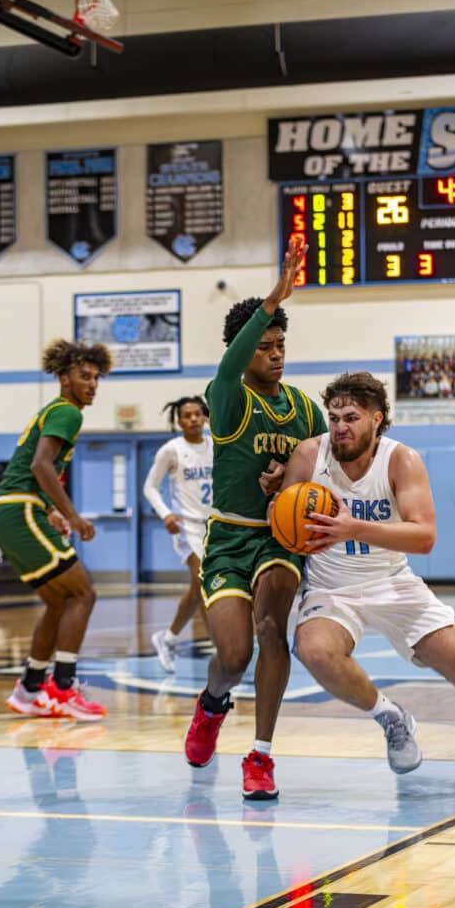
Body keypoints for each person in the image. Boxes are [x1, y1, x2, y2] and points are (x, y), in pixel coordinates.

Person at [276, 370, 455, 795]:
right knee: (315, 652)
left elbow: (424, 536)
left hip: (392, 581)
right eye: (335, 417)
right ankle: (390, 716)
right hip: (331, 586)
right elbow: (282, 521)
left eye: (352, 417)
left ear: (377, 419)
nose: (341, 427)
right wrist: (277, 497)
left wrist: (353, 528)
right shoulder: (309, 456)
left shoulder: (401, 460)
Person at [184, 238, 327, 800]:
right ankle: (212, 705)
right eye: (264, 345)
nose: (275, 353)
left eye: (280, 344)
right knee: (233, 655)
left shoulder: (306, 409)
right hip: (227, 540)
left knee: (272, 630)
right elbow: (226, 365)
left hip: (279, 539)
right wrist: (273, 296)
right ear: (243, 351)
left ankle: (261, 756)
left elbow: (324, 481)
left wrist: (292, 486)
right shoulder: (227, 398)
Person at [0, 338, 113, 721]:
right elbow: (40, 467)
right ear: (64, 379)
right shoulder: (67, 412)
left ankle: (29, 689)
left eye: (96, 378)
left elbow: (32, 469)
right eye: (84, 376)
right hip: (19, 512)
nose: (91, 384)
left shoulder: (57, 410)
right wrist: (72, 515)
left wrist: (50, 513)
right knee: (83, 594)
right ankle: (61, 688)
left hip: (14, 514)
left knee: (61, 601)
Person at [143, 395, 213, 672]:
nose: (193, 419)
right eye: (187, 415)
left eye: (198, 414)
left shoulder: (215, 446)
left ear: (205, 417)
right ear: (179, 420)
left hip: (214, 526)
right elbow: (150, 487)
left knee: (205, 588)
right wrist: (166, 514)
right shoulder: (171, 450)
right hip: (187, 526)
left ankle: (169, 638)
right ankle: (220, 647)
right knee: (202, 582)